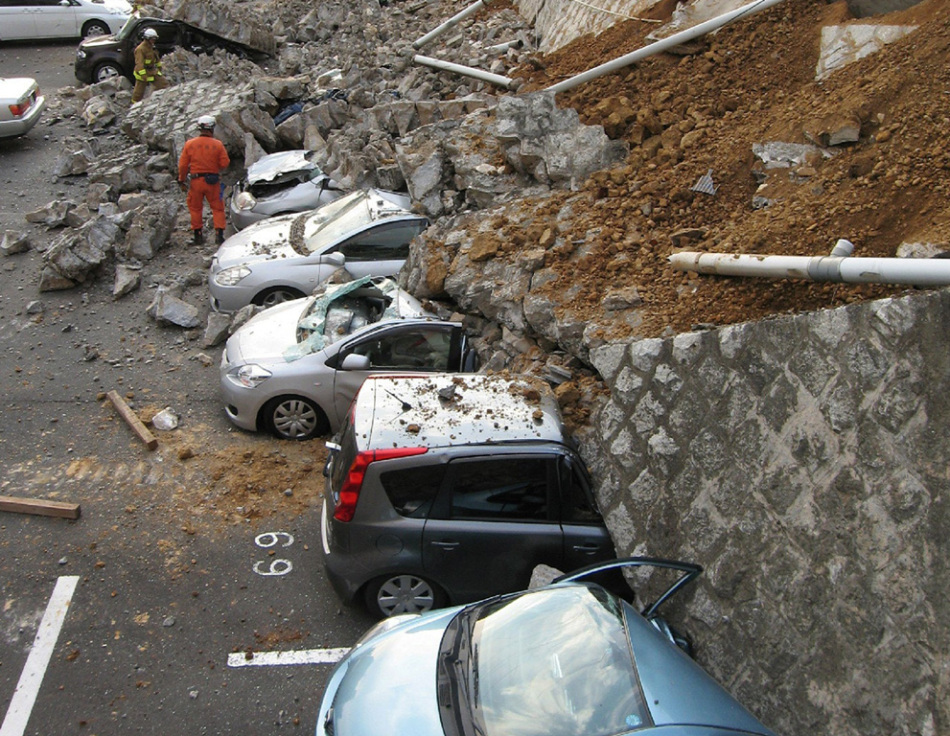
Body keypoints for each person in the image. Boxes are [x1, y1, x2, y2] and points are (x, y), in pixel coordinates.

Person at [178, 115, 231, 245]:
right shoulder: (217, 145)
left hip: (196, 182)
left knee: (195, 208)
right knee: (217, 208)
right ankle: (219, 235)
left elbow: (183, 165)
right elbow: (225, 163)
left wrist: (181, 180)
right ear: (212, 128)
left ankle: (198, 236)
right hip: (212, 181)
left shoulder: (190, 144)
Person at [131, 28, 167, 104]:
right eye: (152, 39)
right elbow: (139, 63)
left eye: (155, 39)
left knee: (164, 84)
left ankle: (164, 101)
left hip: (152, 71)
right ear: (147, 39)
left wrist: (159, 66)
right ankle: (133, 105)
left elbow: (156, 58)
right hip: (143, 73)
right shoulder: (140, 49)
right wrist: (143, 75)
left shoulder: (152, 47)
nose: (154, 41)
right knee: (138, 93)